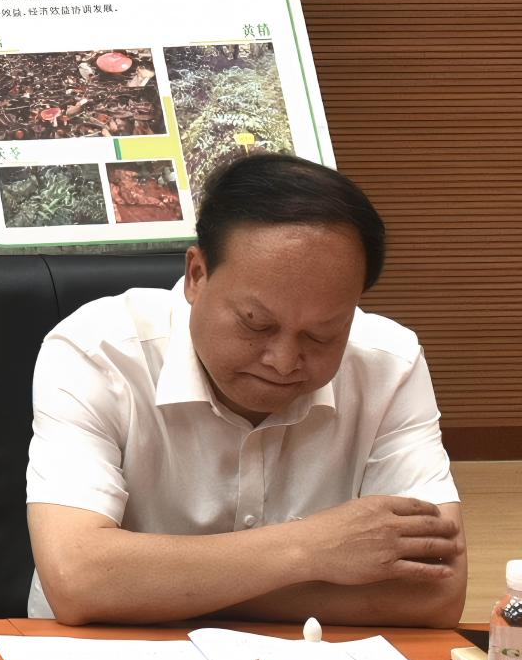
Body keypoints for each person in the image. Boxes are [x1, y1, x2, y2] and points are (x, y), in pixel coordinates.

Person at [26, 153, 465, 626]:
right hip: (102, 654)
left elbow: (435, 593)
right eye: (256, 323)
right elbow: (77, 578)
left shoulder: (389, 363)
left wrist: (159, 589)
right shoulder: (97, 351)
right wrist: (312, 548)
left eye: (322, 334)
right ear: (197, 275)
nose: (283, 360)